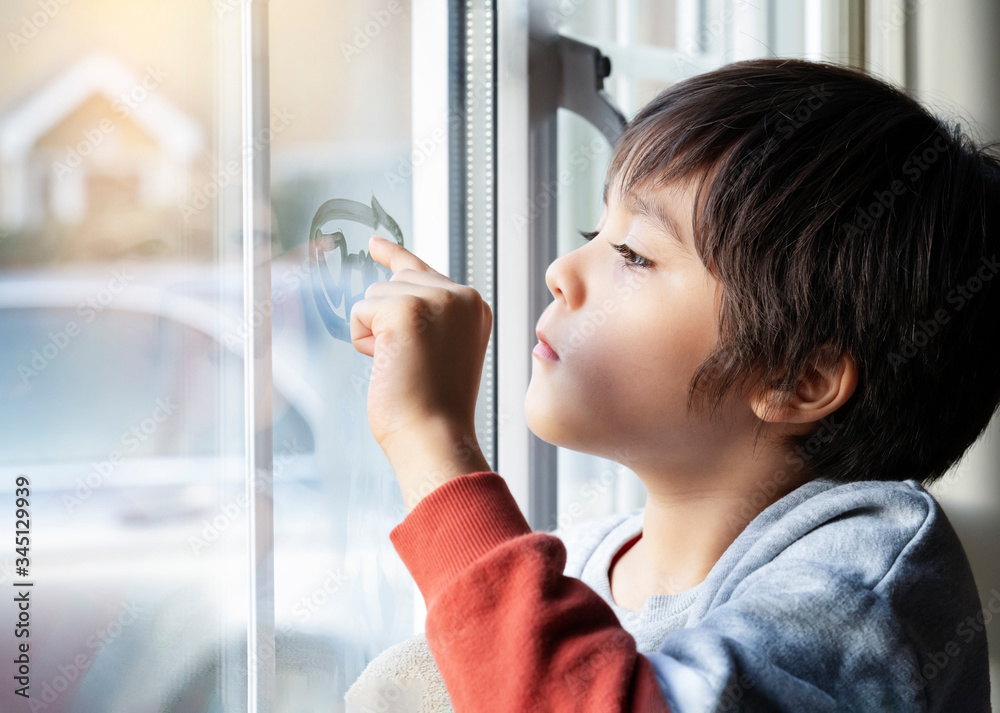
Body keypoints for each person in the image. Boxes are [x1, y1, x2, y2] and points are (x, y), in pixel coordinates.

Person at [348, 58, 1000, 712]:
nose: (559, 270)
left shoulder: (862, 582)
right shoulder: (575, 565)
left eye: (634, 254)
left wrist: (430, 442)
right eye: (593, 233)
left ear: (797, 378)